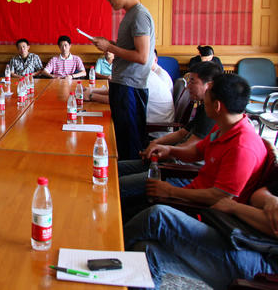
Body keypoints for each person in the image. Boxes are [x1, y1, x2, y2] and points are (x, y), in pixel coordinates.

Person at [124, 181, 278, 289]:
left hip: (265, 266)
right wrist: (271, 199)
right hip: (243, 236)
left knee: (158, 216)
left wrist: (234, 207)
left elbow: (273, 226)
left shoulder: (244, 147)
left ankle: (109, 254)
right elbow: (259, 194)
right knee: (146, 251)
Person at [143, 73, 267, 207]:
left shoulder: (242, 147)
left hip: (203, 210)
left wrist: (170, 191)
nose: (203, 98)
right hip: (191, 191)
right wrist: (169, 150)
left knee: (153, 212)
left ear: (217, 106)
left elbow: (219, 197)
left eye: (207, 92)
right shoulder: (223, 126)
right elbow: (197, 152)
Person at [117, 62, 223, 203]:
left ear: (208, 85)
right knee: (115, 168)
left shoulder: (211, 114)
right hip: (170, 159)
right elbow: (182, 133)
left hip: (179, 170)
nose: (188, 86)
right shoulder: (204, 108)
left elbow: (191, 148)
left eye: (192, 81)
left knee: (119, 185)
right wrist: (155, 144)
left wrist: (165, 151)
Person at [92, 0, 155, 161]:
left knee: (129, 144)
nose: (108, 0)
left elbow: (142, 56)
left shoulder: (139, 15)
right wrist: (110, 44)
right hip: (124, 85)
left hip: (130, 87)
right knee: (121, 140)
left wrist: (109, 47)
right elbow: (130, 49)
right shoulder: (131, 14)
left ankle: (129, 179)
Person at [84, 52, 174, 125]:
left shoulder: (141, 77)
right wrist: (92, 91)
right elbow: (118, 92)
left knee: (106, 124)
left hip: (154, 129)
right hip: (144, 121)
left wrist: (91, 96)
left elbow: (118, 100)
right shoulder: (142, 73)